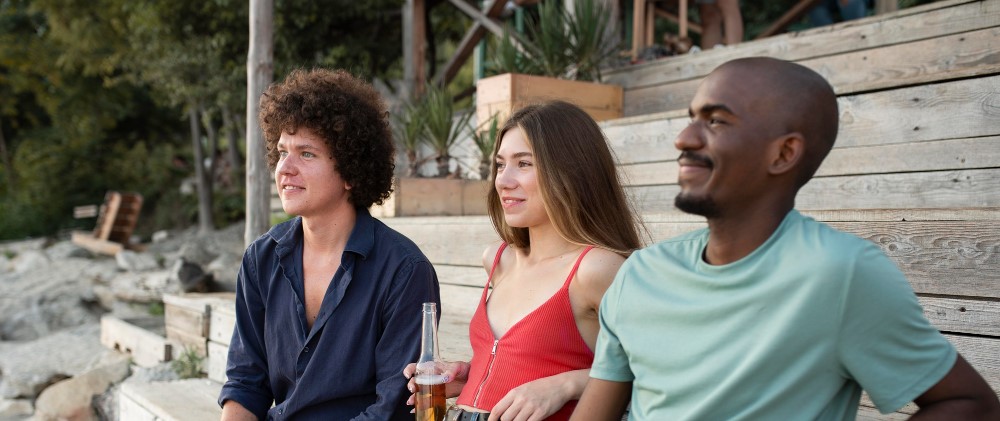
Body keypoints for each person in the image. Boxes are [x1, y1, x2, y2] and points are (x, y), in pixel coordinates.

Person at [571, 57, 1000, 419]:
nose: (684, 139)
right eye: (691, 118)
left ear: (783, 154)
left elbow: (970, 403)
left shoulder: (840, 274)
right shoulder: (642, 272)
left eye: (715, 121)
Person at [219, 68, 441, 420]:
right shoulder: (261, 259)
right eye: (282, 152)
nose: (285, 168)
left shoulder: (404, 271)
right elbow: (246, 383)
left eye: (306, 154)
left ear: (351, 171)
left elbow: (391, 411)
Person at [403, 101, 644, 421]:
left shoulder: (596, 269)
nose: (503, 180)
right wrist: (472, 375)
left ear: (571, 171)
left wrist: (566, 385)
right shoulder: (497, 260)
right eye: (500, 165)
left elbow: (657, 366)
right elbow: (527, 359)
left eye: (524, 163)